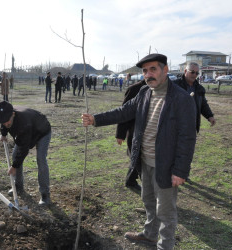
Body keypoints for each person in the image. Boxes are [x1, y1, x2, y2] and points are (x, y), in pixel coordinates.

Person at [82, 54, 196, 249]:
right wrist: (95, 119)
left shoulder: (182, 99)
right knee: (148, 200)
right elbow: (123, 112)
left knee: (166, 211)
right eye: (144, 71)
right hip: (144, 160)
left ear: (165, 70)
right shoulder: (144, 93)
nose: (148, 74)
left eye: (153, 69)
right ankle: (150, 235)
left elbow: (187, 138)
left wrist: (180, 171)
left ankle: (165, 245)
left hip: (166, 165)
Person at [0, 101, 52, 205]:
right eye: (3, 122)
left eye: (7, 121)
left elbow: (24, 149)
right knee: (15, 155)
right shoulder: (6, 115)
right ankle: (18, 186)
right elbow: (4, 123)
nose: (6, 124)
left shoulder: (23, 122)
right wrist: (3, 134)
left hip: (42, 131)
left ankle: (45, 195)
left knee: (41, 159)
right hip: (28, 131)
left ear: (13, 114)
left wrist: (14, 166)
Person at [116, 80, 147, 191]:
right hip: (135, 130)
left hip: (152, 131)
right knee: (137, 156)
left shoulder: (162, 88)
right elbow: (124, 112)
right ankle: (143, 183)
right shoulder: (134, 89)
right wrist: (121, 134)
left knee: (140, 156)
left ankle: (131, 180)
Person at [173, 62, 216, 133]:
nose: (194, 75)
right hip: (175, 124)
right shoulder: (175, 86)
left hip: (192, 125)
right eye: (192, 72)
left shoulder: (199, 89)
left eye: (197, 73)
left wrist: (210, 116)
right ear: (185, 71)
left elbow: (203, 104)